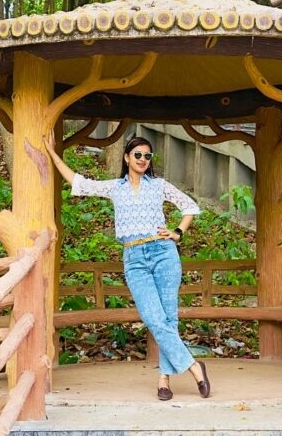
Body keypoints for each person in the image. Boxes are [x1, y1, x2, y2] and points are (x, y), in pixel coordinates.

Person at [31, 133, 211, 402]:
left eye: (147, 156)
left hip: (163, 253)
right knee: (153, 317)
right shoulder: (116, 187)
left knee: (168, 318)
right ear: (126, 157)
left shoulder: (159, 185)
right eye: (137, 154)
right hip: (134, 257)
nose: (142, 159)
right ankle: (195, 367)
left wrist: (177, 232)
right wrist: (52, 151)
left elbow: (190, 206)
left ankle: (164, 378)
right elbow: (79, 183)